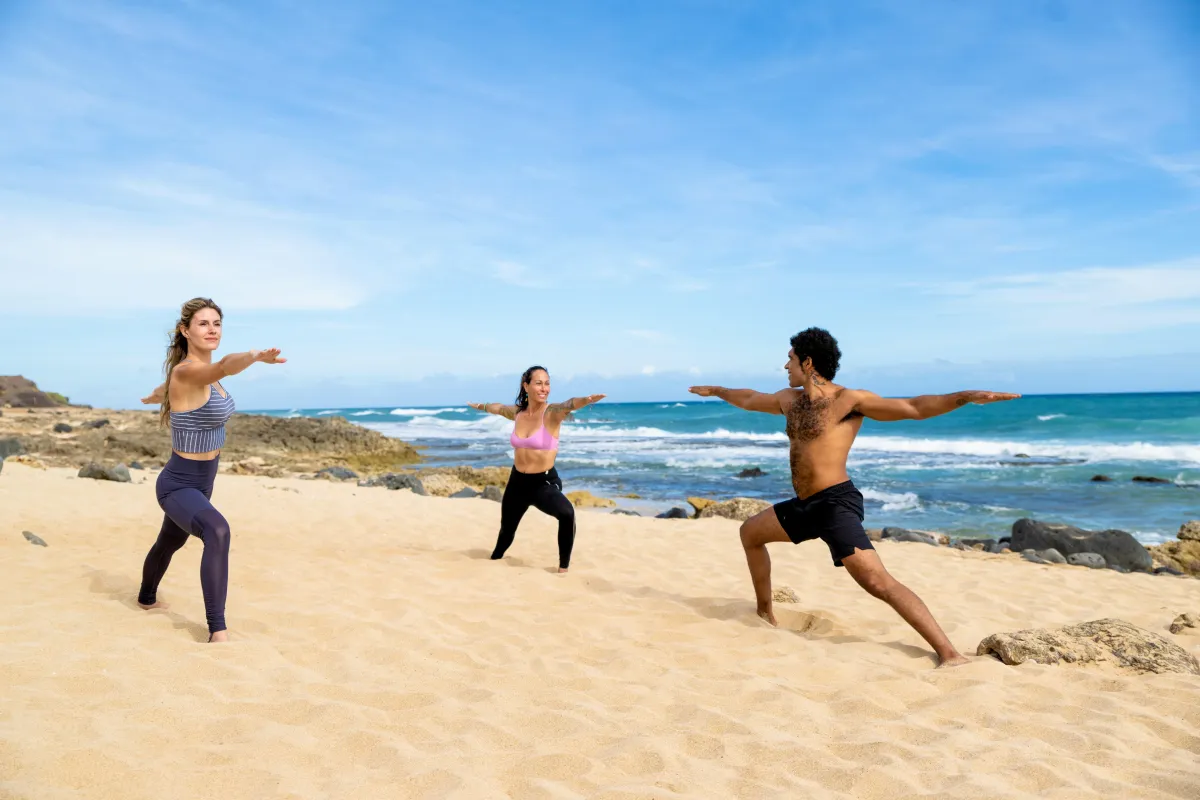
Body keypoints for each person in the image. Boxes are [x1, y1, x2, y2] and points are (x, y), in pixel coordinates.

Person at [689, 327, 1019, 667]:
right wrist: (717, 391)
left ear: (808, 361)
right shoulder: (789, 401)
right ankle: (765, 614)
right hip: (805, 505)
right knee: (750, 533)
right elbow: (748, 398)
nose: (785, 366)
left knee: (877, 582)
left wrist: (963, 397)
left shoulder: (849, 401)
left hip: (835, 503)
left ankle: (949, 654)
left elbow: (913, 407)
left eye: (789, 358)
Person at [137, 297, 286, 642]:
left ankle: (146, 598)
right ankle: (217, 630)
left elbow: (179, 383)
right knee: (217, 531)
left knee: (169, 541)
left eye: (216, 323)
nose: (211, 329)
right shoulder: (189, 371)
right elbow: (220, 368)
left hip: (204, 483)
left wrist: (157, 395)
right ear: (185, 330)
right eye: (203, 323)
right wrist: (252, 357)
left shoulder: (190, 376)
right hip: (176, 484)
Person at [468, 366, 604, 573]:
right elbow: (497, 408)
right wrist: (480, 405)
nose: (544, 388)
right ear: (526, 385)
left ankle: (563, 569)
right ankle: (494, 562)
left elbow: (569, 404)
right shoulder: (518, 413)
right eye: (539, 383)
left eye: (547, 383)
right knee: (506, 531)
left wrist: (586, 400)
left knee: (567, 513)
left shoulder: (552, 413)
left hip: (543, 482)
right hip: (517, 483)